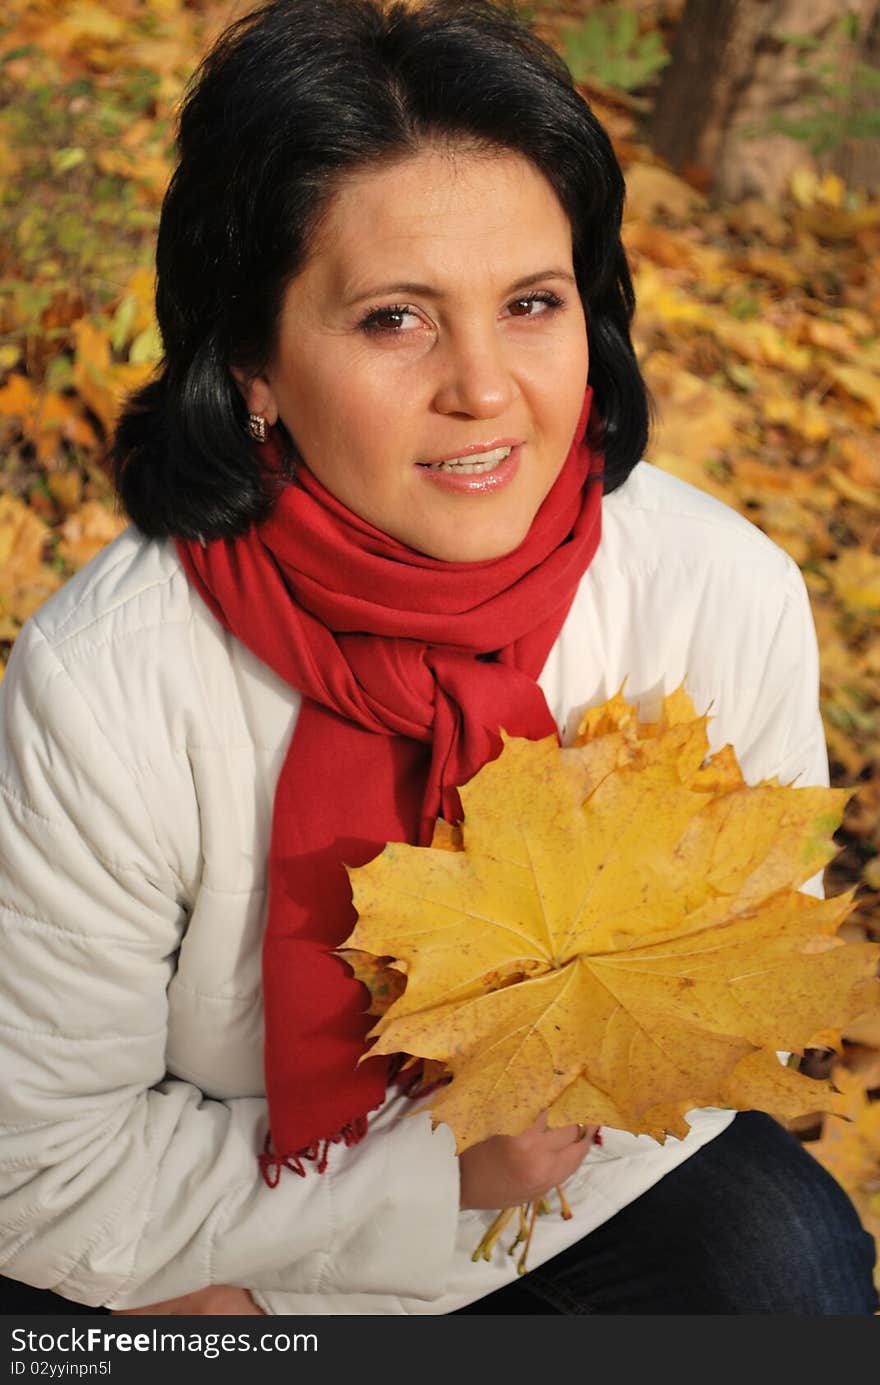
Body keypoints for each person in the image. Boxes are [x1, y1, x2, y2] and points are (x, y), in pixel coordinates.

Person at [0, 0, 876, 1317]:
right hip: (215, 1242)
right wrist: (406, 1194)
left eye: (531, 301)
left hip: (591, 1182)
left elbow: (735, 1010)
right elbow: (41, 1169)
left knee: (787, 1263)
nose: (483, 388)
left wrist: (519, 1140)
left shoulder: (714, 592)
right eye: (394, 320)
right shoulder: (111, 680)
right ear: (252, 364)